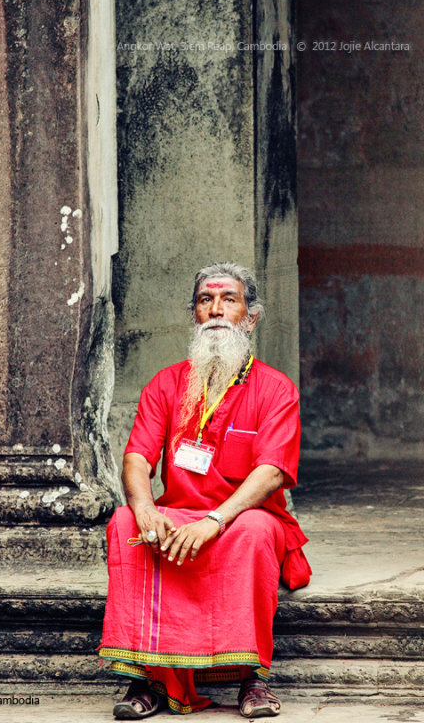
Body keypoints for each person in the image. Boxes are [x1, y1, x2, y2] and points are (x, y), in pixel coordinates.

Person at [99, 262, 311, 718]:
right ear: (194, 314)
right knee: (123, 522)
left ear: (250, 317)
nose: (215, 310)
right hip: (179, 517)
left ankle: (251, 680)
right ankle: (148, 681)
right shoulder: (167, 383)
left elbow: (272, 471)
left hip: (243, 519)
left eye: (228, 300)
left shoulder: (276, 389)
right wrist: (144, 508)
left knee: (252, 530)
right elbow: (137, 456)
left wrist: (215, 521)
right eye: (204, 300)